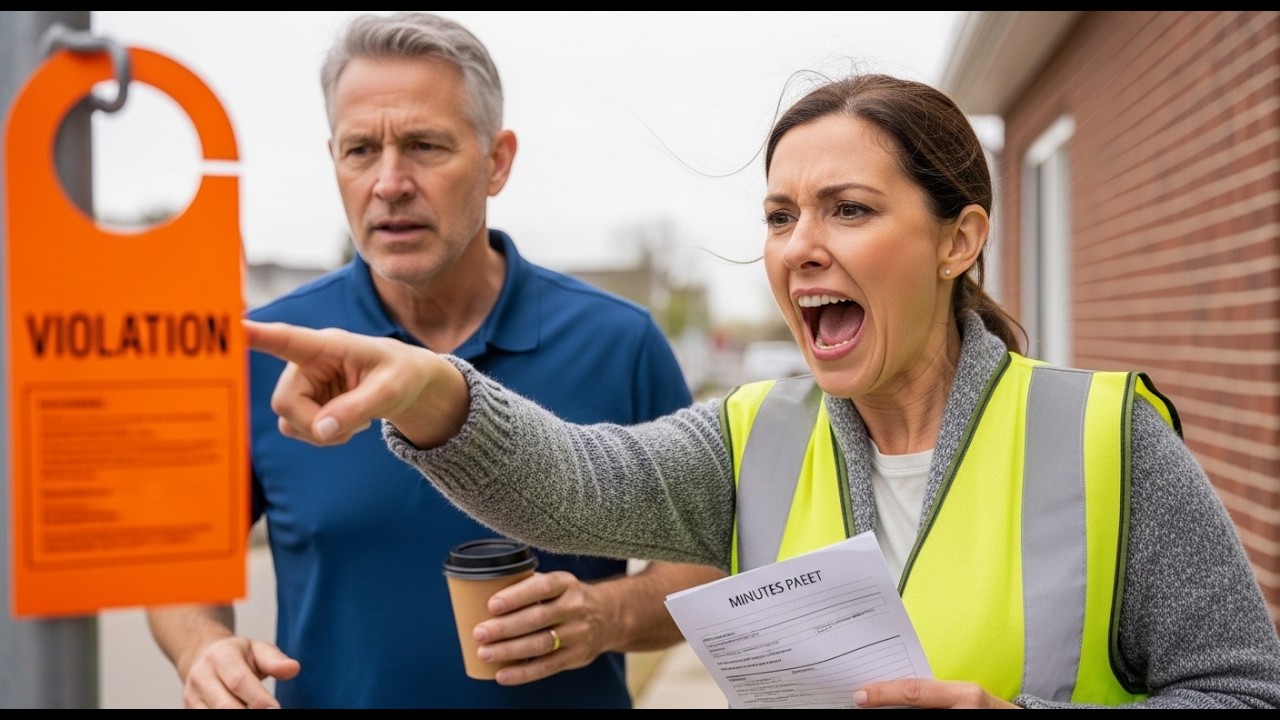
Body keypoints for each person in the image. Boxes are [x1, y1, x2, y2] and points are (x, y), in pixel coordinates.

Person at [243, 71, 1280, 709]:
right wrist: (427, 387)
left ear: (958, 240)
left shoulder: (1107, 439)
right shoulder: (752, 437)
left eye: (848, 209)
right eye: (780, 216)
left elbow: (1242, 691)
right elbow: (571, 482)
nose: (800, 249)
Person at [145, 12, 724, 710]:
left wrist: (609, 617)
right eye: (361, 150)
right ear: (334, 159)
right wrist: (203, 647)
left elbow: (708, 563)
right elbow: (174, 565)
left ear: (497, 160)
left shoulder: (619, 341)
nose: (390, 182)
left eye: (424, 145)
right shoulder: (265, 346)